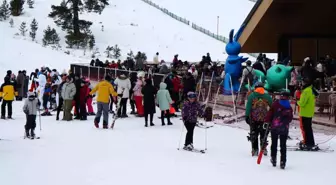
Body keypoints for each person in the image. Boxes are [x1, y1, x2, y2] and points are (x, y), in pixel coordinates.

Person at [265, 91, 293, 169]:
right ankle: (283, 161)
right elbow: (290, 118)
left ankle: (274, 158)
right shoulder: (289, 107)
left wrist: (267, 121)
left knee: (274, 143)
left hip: (275, 127)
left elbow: (270, 114)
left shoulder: (275, 104)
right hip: (284, 128)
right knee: (283, 145)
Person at [245, 82, 272, 156]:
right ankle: (263, 148)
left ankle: (255, 149)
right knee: (264, 134)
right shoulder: (267, 96)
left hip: (254, 119)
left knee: (254, 134)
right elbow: (272, 107)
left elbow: (248, 107)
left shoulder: (251, 96)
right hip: (264, 119)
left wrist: (247, 116)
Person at [297, 79, 318, 150]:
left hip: (304, 113)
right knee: (309, 128)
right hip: (309, 112)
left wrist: (297, 102)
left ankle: (307, 143)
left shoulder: (306, 91)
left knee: (306, 129)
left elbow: (302, 103)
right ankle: (311, 142)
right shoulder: (311, 90)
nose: (301, 85)